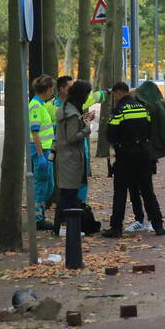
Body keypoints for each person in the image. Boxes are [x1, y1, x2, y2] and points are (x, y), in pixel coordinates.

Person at [102, 82, 165, 238]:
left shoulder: (119, 110)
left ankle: (116, 228)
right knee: (147, 191)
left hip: (125, 155)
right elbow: (150, 129)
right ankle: (158, 226)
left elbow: (110, 134)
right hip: (143, 154)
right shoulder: (142, 107)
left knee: (120, 192)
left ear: (117, 93)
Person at [55, 80, 95, 229]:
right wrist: (87, 128)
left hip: (66, 157)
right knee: (69, 194)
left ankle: (62, 225)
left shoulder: (66, 108)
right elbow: (71, 137)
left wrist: (83, 120)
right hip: (70, 159)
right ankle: (67, 227)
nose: (87, 97)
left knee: (66, 193)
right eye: (86, 94)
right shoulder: (71, 114)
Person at [28, 75, 57, 230]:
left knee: (48, 184)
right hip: (40, 150)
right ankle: (38, 219)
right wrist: (40, 155)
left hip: (45, 149)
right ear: (46, 89)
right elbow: (35, 133)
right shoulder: (35, 107)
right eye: (51, 89)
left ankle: (40, 213)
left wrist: (54, 127)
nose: (52, 92)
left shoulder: (41, 105)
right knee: (41, 185)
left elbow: (43, 127)